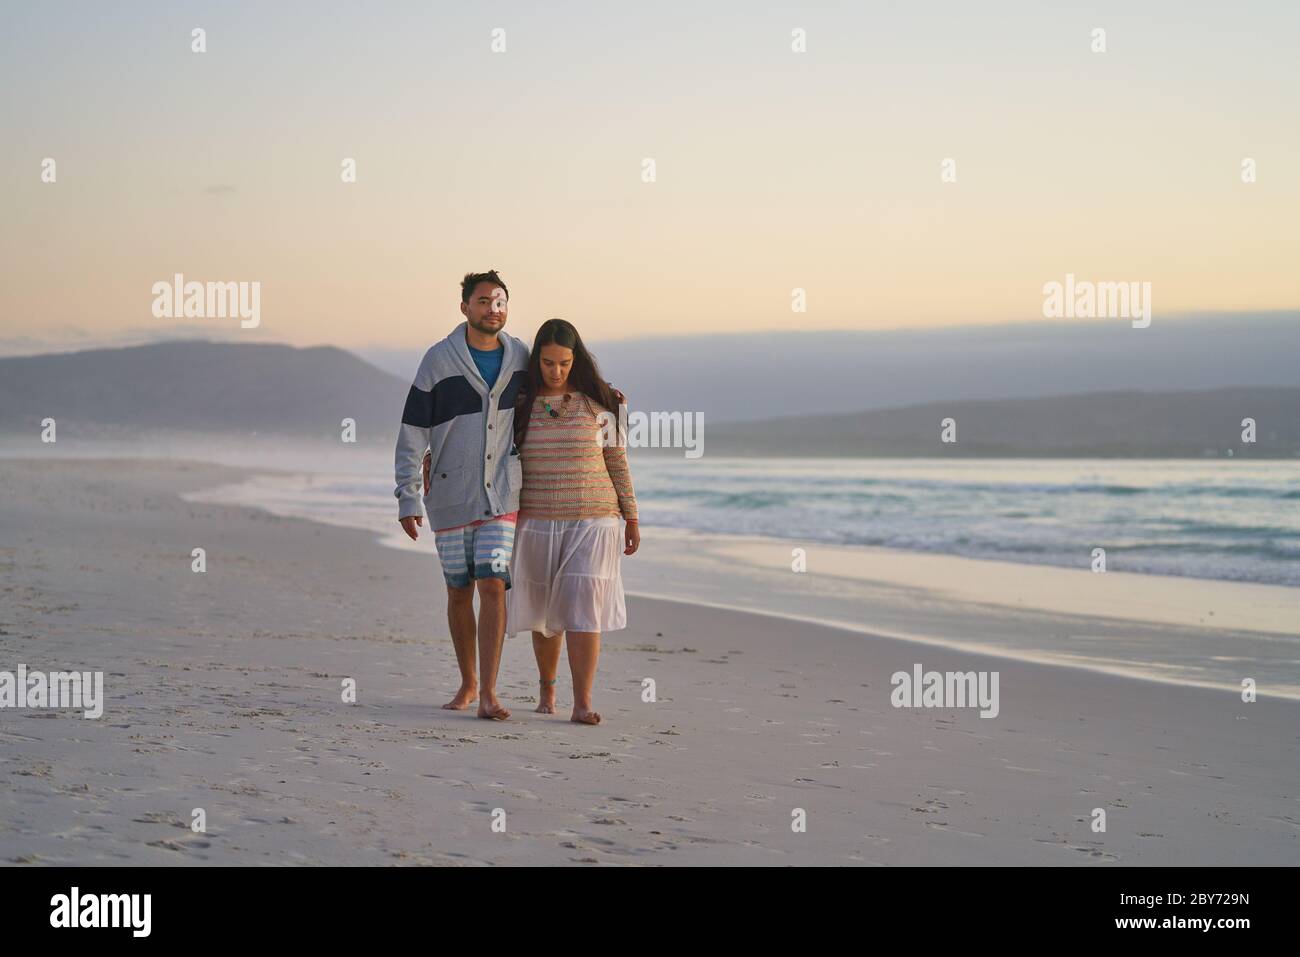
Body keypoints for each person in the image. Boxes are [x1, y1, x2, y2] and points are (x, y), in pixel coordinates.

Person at [393, 270, 527, 720]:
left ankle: (489, 692)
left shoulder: (522, 357)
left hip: (503, 494)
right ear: (465, 307)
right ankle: (468, 681)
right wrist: (407, 497)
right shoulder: (438, 360)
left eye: (501, 301)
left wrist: (609, 400)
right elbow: (413, 431)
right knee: (458, 590)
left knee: (493, 582)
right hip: (450, 494)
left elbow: (562, 385)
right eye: (485, 301)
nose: (494, 308)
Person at [505, 318, 640, 725]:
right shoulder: (519, 406)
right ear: (537, 362)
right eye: (548, 363)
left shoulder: (602, 405)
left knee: (583, 608)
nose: (557, 371)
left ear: (576, 359)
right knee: (546, 615)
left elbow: (618, 462)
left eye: (564, 363)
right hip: (538, 518)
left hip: (595, 519)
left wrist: (631, 516)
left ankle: (582, 701)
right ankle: (548, 689)